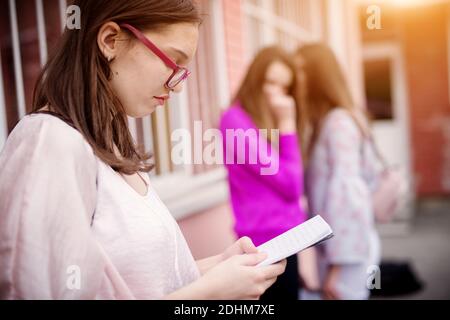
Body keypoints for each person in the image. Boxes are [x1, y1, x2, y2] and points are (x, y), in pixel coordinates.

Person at [0, 0, 286, 300]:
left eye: (183, 71)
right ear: (111, 40)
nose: (176, 86)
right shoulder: (50, 142)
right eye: (173, 61)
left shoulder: (111, 149)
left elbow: (140, 286)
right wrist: (209, 293)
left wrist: (219, 267)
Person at [220, 46, 306, 300]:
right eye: (270, 82)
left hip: (287, 239)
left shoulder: (262, 121)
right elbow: (291, 185)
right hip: (265, 244)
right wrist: (288, 122)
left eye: (284, 87)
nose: (276, 93)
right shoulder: (235, 120)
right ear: (255, 80)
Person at [295, 43, 381, 300]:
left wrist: (338, 267)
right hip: (343, 248)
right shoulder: (332, 120)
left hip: (348, 254)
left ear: (316, 76)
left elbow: (347, 195)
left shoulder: (338, 123)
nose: (295, 78)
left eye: (301, 70)